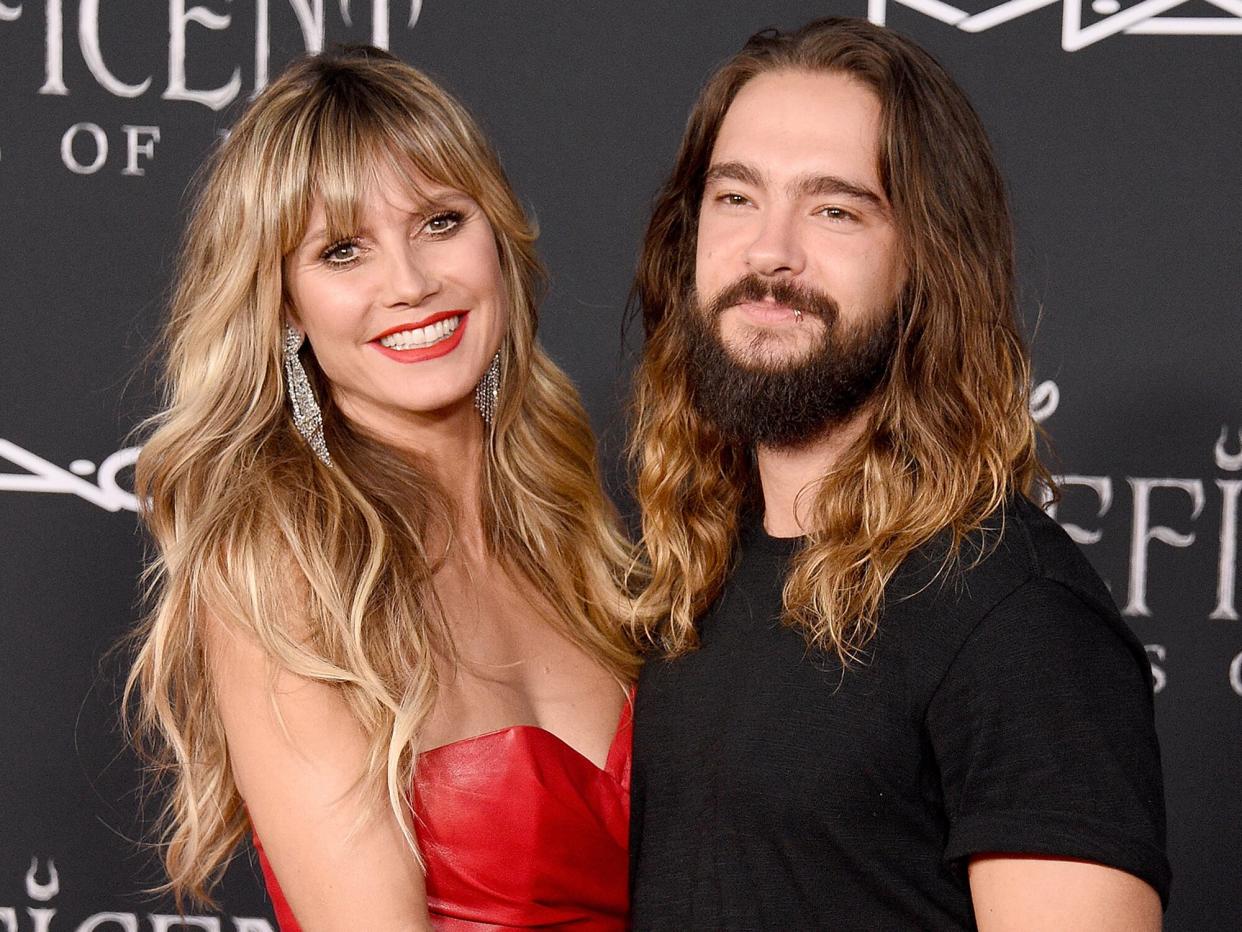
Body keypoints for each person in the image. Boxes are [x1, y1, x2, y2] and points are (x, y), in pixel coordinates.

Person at [627, 18, 1169, 930]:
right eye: (735, 198)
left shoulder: (1017, 616)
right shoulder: (684, 574)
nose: (770, 252)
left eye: (834, 209)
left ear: (928, 261)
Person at [126, 47, 637, 929]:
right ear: (285, 305)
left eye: (441, 222)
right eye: (343, 251)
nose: (409, 284)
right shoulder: (286, 573)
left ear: (499, 236)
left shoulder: (571, 529)